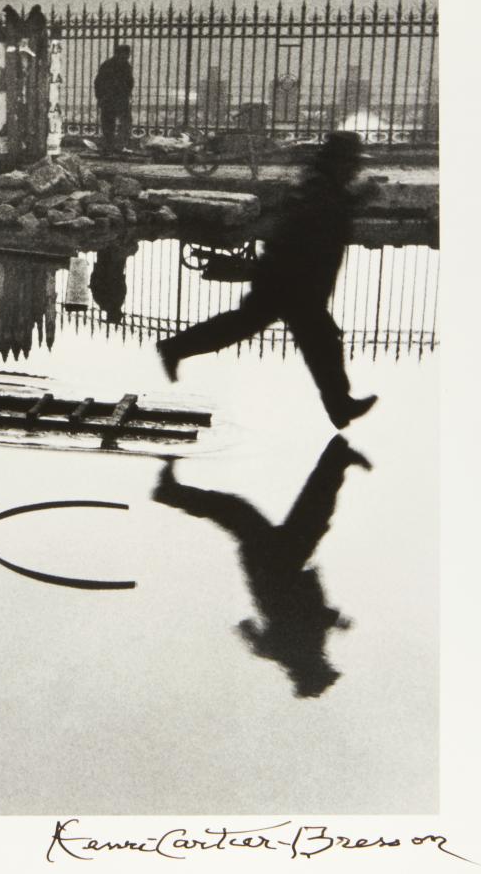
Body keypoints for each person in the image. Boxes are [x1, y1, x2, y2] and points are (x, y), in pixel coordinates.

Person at [156, 131, 377, 429]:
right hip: (292, 282)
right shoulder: (319, 190)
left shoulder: (322, 185)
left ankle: (176, 347)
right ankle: (339, 405)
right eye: (351, 163)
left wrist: (355, 199)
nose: (355, 169)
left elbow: (328, 212)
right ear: (340, 162)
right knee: (319, 341)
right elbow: (315, 224)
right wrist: (357, 200)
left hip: (290, 280)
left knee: (251, 326)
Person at [153, 436, 371, 698]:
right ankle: (338, 457)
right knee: (306, 511)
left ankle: (169, 492)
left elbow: (304, 619)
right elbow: (263, 631)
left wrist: (335, 620)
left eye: (325, 668)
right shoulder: (293, 650)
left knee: (258, 511)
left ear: (313, 668)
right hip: (279, 565)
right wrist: (332, 621)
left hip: (276, 566)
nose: (327, 662)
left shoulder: (297, 649)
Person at [94, 45, 134, 153]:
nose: (127, 56)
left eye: (128, 54)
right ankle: (112, 145)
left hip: (117, 99)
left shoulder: (123, 65)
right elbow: (98, 82)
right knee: (111, 123)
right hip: (111, 99)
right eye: (126, 54)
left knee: (121, 123)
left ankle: (117, 145)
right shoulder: (109, 65)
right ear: (118, 54)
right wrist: (100, 97)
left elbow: (130, 82)